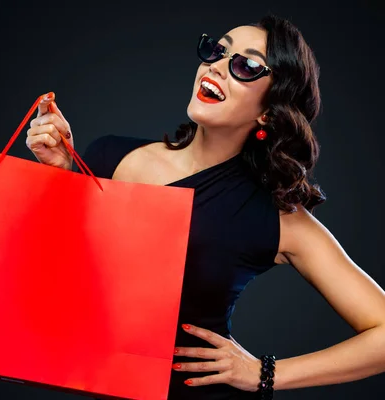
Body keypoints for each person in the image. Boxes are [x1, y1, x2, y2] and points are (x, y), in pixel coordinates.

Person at [25, 14, 385, 400]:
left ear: (268, 111)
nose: (215, 65)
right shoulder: (109, 155)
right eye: (218, 50)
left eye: (245, 65)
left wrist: (264, 374)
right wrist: (63, 173)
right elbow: (55, 269)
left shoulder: (279, 219)